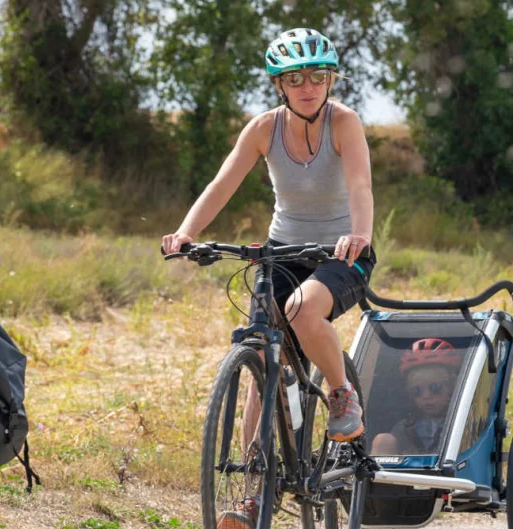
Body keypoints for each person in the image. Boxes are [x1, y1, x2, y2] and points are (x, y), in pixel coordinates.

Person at [162, 27, 375, 446]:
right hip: (283, 253)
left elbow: (360, 187)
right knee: (260, 355)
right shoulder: (263, 129)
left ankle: (341, 392)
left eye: (317, 76)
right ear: (279, 84)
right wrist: (187, 232)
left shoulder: (344, 122)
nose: (307, 87)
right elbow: (222, 185)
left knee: (301, 309)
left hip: (342, 253)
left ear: (331, 79)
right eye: (294, 78)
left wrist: (360, 234)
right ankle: (251, 489)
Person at [371, 338, 461, 455]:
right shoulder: (403, 429)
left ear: (452, 385)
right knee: (383, 441)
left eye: (435, 388)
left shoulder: (463, 422)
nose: (426, 396)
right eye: (416, 391)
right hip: (410, 473)